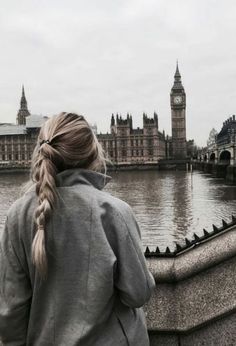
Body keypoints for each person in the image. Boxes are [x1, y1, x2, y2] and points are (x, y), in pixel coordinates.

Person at [0, 112, 155, 346]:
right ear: (94, 153)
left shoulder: (17, 215)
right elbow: (138, 294)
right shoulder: (115, 211)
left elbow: (11, 311)